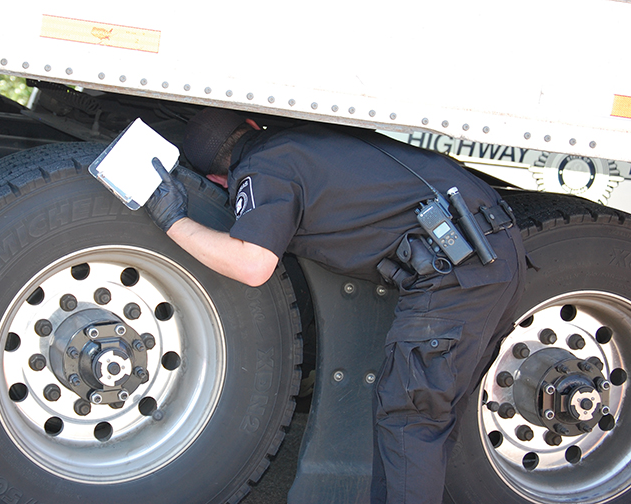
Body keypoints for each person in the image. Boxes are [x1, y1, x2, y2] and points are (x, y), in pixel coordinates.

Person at [143, 107, 527, 504]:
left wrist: (174, 220)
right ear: (254, 125)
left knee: (410, 420)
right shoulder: (311, 140)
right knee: (430, 423)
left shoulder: (262, 167)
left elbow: (252, 263)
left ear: (216, 179)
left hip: (454, 275)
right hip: (497, 252)